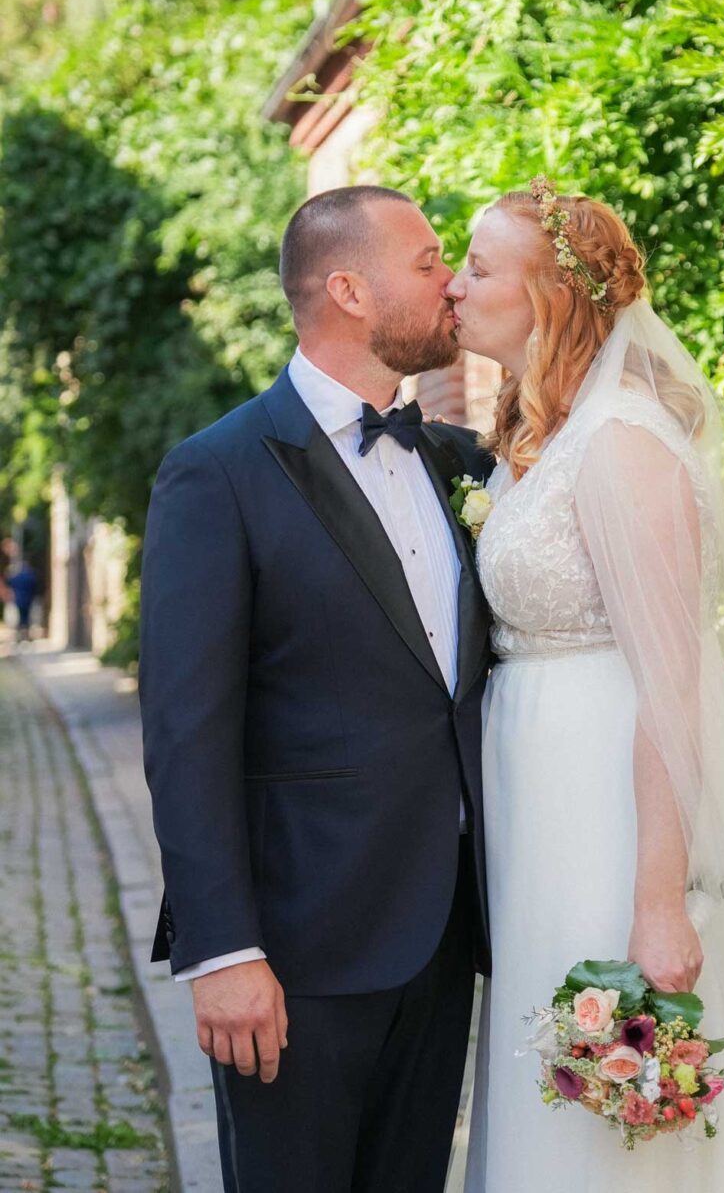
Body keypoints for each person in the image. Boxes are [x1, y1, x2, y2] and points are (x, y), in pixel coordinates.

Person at [448, 179, 724, 1192]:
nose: (454, 287)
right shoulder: (534, 441)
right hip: (539, 807)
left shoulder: (623, 443)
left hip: (612, 818)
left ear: (547, 298)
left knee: (617, 1106)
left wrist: (658, 900)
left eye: (479, 267)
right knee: (552, 1081)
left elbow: (673, 685)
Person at [139, 186, 495, 1193]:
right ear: (348, 287)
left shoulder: (448, 458)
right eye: (427, 261)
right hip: (295, 952)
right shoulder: (217, 473)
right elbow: (185, 732)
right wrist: (222, 952)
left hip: (440, 938)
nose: (450, 281)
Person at [8, 560, 38, 641]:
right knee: (27, 618)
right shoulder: (30, 576)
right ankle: (26, 635)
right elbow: (34, 587)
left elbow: (11, 584)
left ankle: (19, 636)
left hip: (19, 600)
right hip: (28, 600)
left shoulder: (17, 576)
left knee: (20, 618)